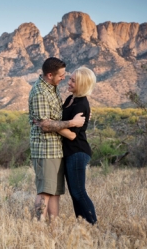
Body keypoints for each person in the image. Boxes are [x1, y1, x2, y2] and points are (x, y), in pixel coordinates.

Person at [28, 57, 85, 221]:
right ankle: (37, 225)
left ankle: (54, 227)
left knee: (55, 191)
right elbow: (45, 125)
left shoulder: (52, 89)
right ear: (50, 75)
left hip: (56, 148)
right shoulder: (40, 93)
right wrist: (72, 123)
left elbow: (51, 120)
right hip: (45, 148)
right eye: (61, 75)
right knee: (45, 190)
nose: (64, 78)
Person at [51, 66, 98, 224]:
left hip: (77, 152)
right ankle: (83, 225)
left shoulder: (81, 104)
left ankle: (92, 223)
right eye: (70, 79)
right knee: (74, 193)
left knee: (79, 192)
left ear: (82, 84)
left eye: (73, 81)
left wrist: (50, 125)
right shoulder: (71, 100)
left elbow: (72, 135)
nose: (68, 82)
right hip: (69, 152)